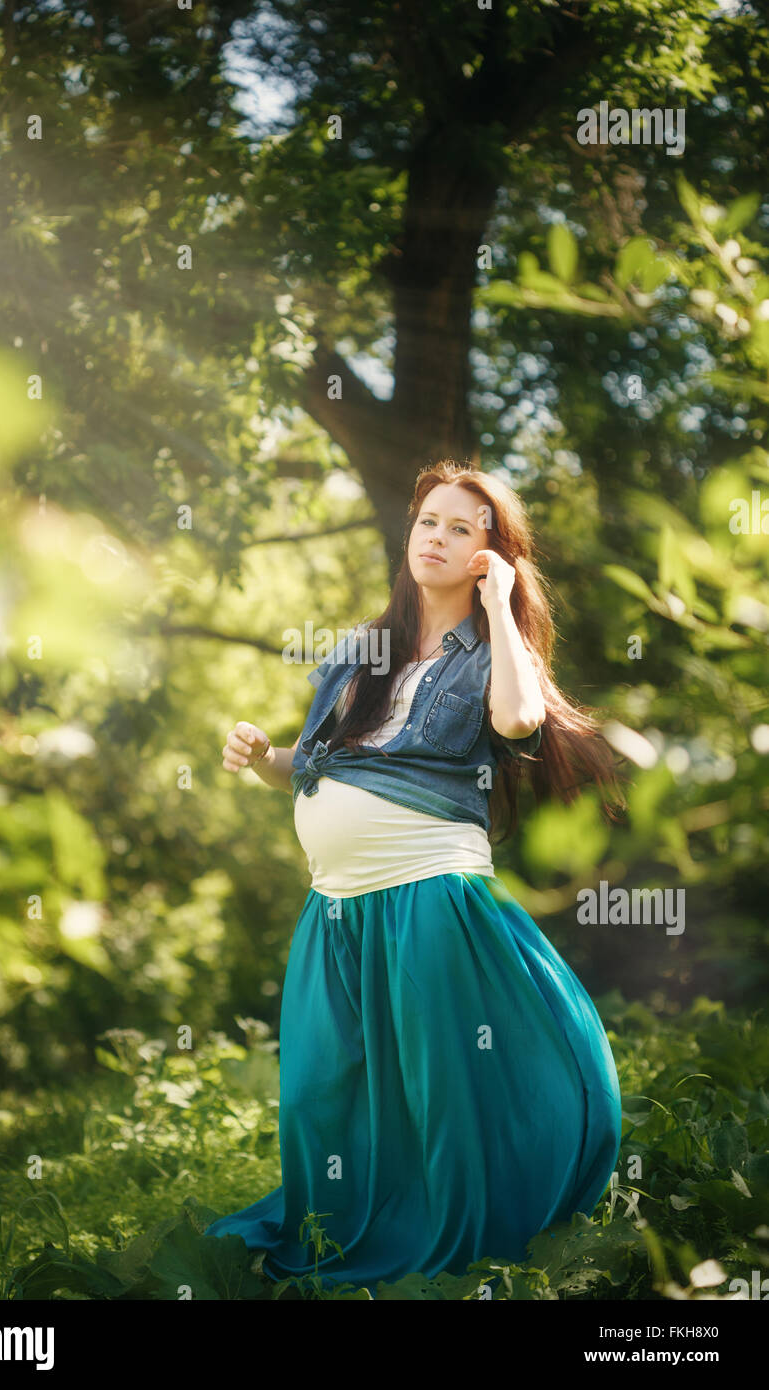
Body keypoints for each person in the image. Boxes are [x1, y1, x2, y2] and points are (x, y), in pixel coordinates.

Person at [207, 458, 624, 1297]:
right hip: (334, 913)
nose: (435, 536)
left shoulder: (495, 654)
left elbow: (516, 719)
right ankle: (344, 1223)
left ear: (489, 554)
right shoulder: (363, 649)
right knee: (322, 1093)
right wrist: (263, 758)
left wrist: (501, 605)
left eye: (461, 528)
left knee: (446, 1094)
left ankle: (463, 1243)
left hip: (428, 895)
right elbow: (323, 764)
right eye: (427, 520)